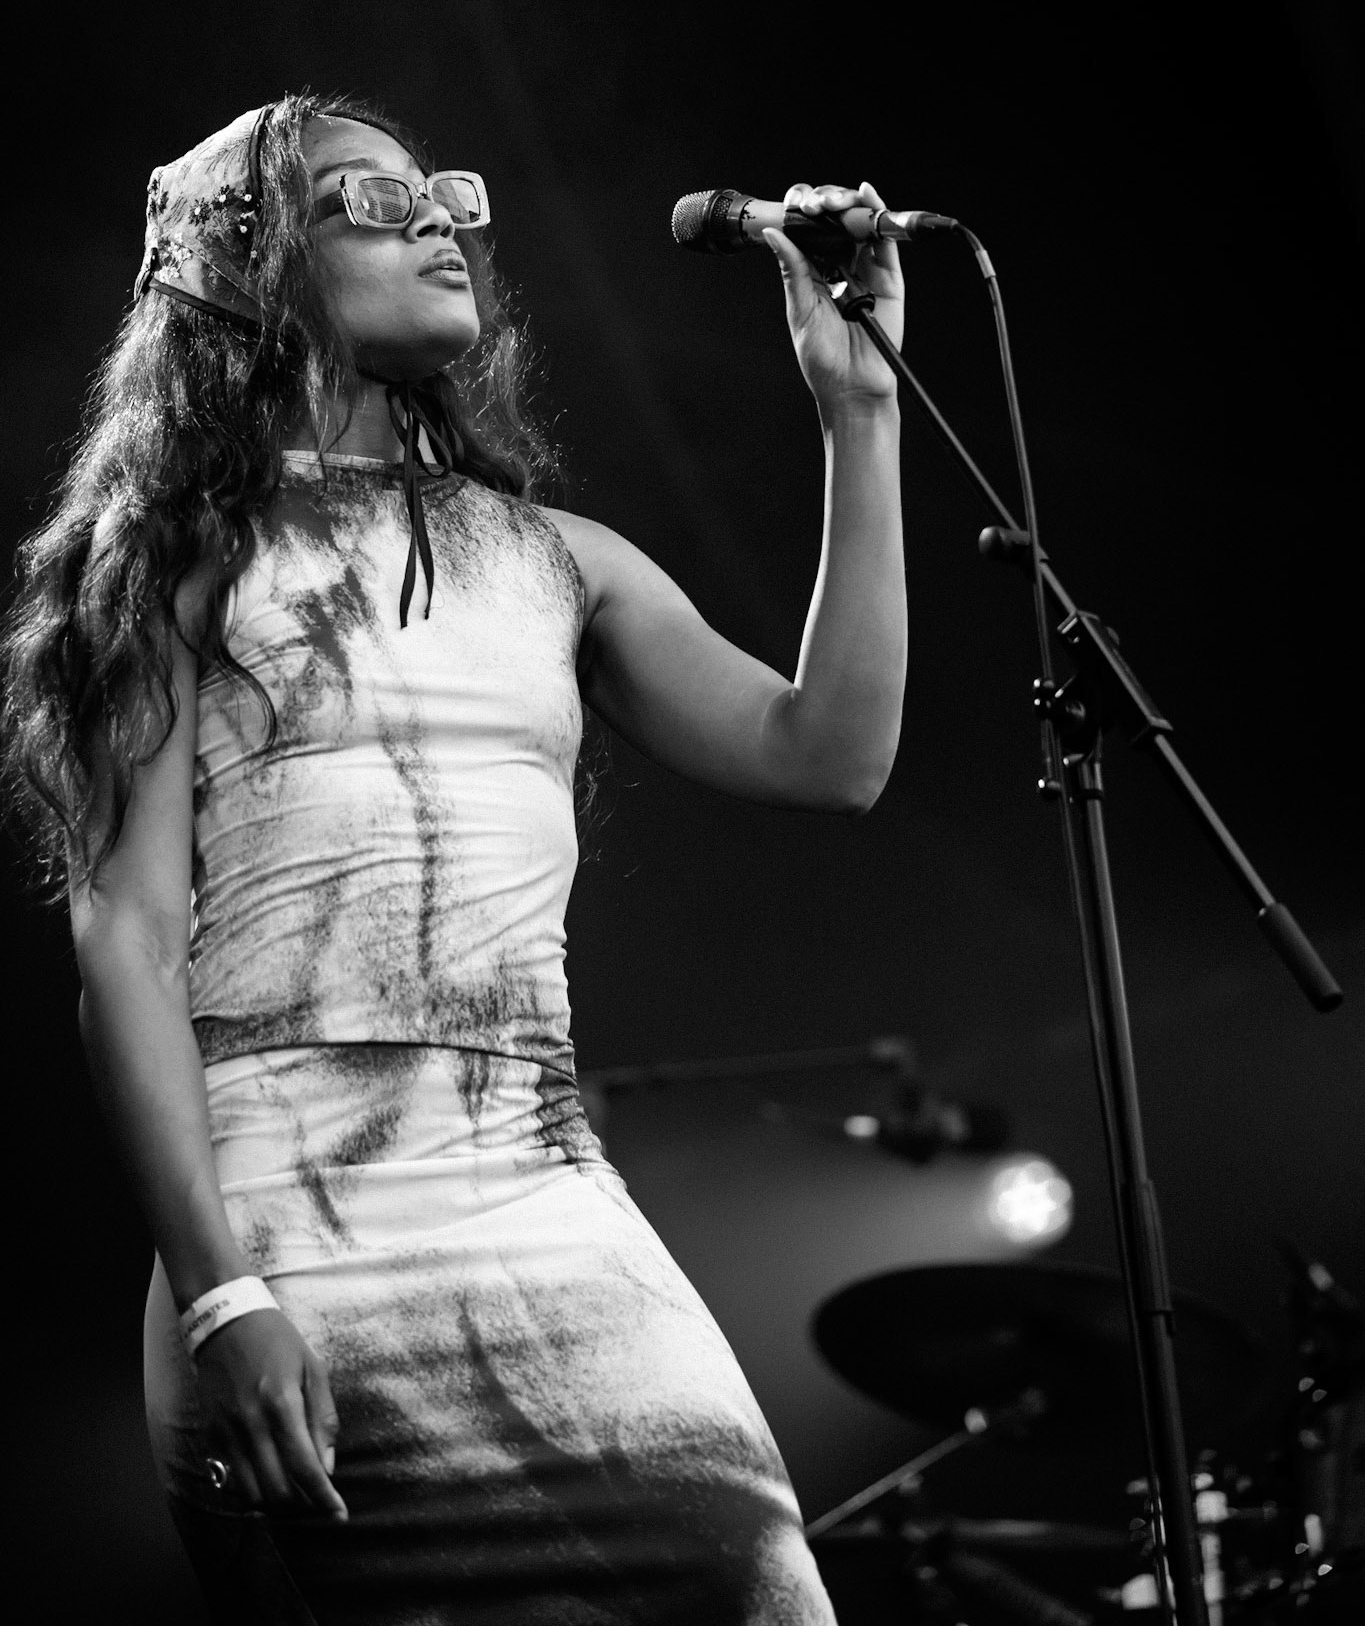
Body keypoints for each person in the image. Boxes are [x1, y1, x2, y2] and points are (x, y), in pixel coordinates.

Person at [1, 93, 906, 1623]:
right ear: (243, 256)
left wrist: (857, 411)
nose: (438, 221)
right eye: (367, 198)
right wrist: (225, 1295)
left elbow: (832, 755)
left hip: (536, 1180)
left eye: (447, 196)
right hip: (283, 1212)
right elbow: (128, 946)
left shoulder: (559, 558)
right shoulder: (162, 559)